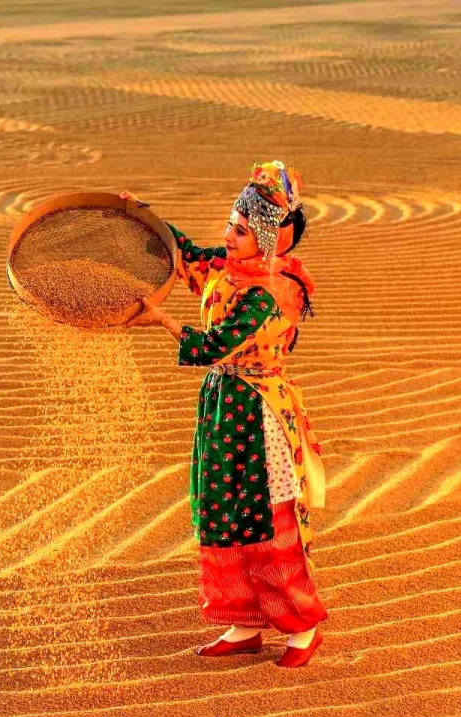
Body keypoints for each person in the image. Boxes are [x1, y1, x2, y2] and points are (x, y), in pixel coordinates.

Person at [120, 161, 329, 668]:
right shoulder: (230, 269)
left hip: (259, 413)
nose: (226, 236)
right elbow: (186, 256)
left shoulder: (275, 292)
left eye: (238, 229)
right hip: (222, 407)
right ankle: (245, 622)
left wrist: (164, 321)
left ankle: (303, 627)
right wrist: (142, 219)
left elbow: (219, 343)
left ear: (265, 237)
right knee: (221, 512)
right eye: (229, 224)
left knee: (268, 519)